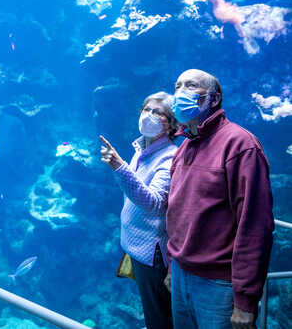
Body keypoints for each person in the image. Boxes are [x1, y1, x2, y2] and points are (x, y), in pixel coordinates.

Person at [165, 69, 274, 329]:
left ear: (214, 99)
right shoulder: (186, 146)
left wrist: (245, 300)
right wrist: (173, 265)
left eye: (190, 86)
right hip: (181, 274)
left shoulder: (240, 145)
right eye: (177, 86)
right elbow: (178, 212)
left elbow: (255, 226)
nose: (180, 92)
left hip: (219, 285)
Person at [100, 91, 178, 329]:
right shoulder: (142, 150)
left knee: (159, 314)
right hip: (136, 247)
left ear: (172, 123)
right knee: (150, 307)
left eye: (158, 112)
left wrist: (119, 166)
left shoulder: (169, 157)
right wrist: (122, 167)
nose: (149, 115)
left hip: (151, 252)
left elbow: (154, 203)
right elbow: (132, 192)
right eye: (146, 109)